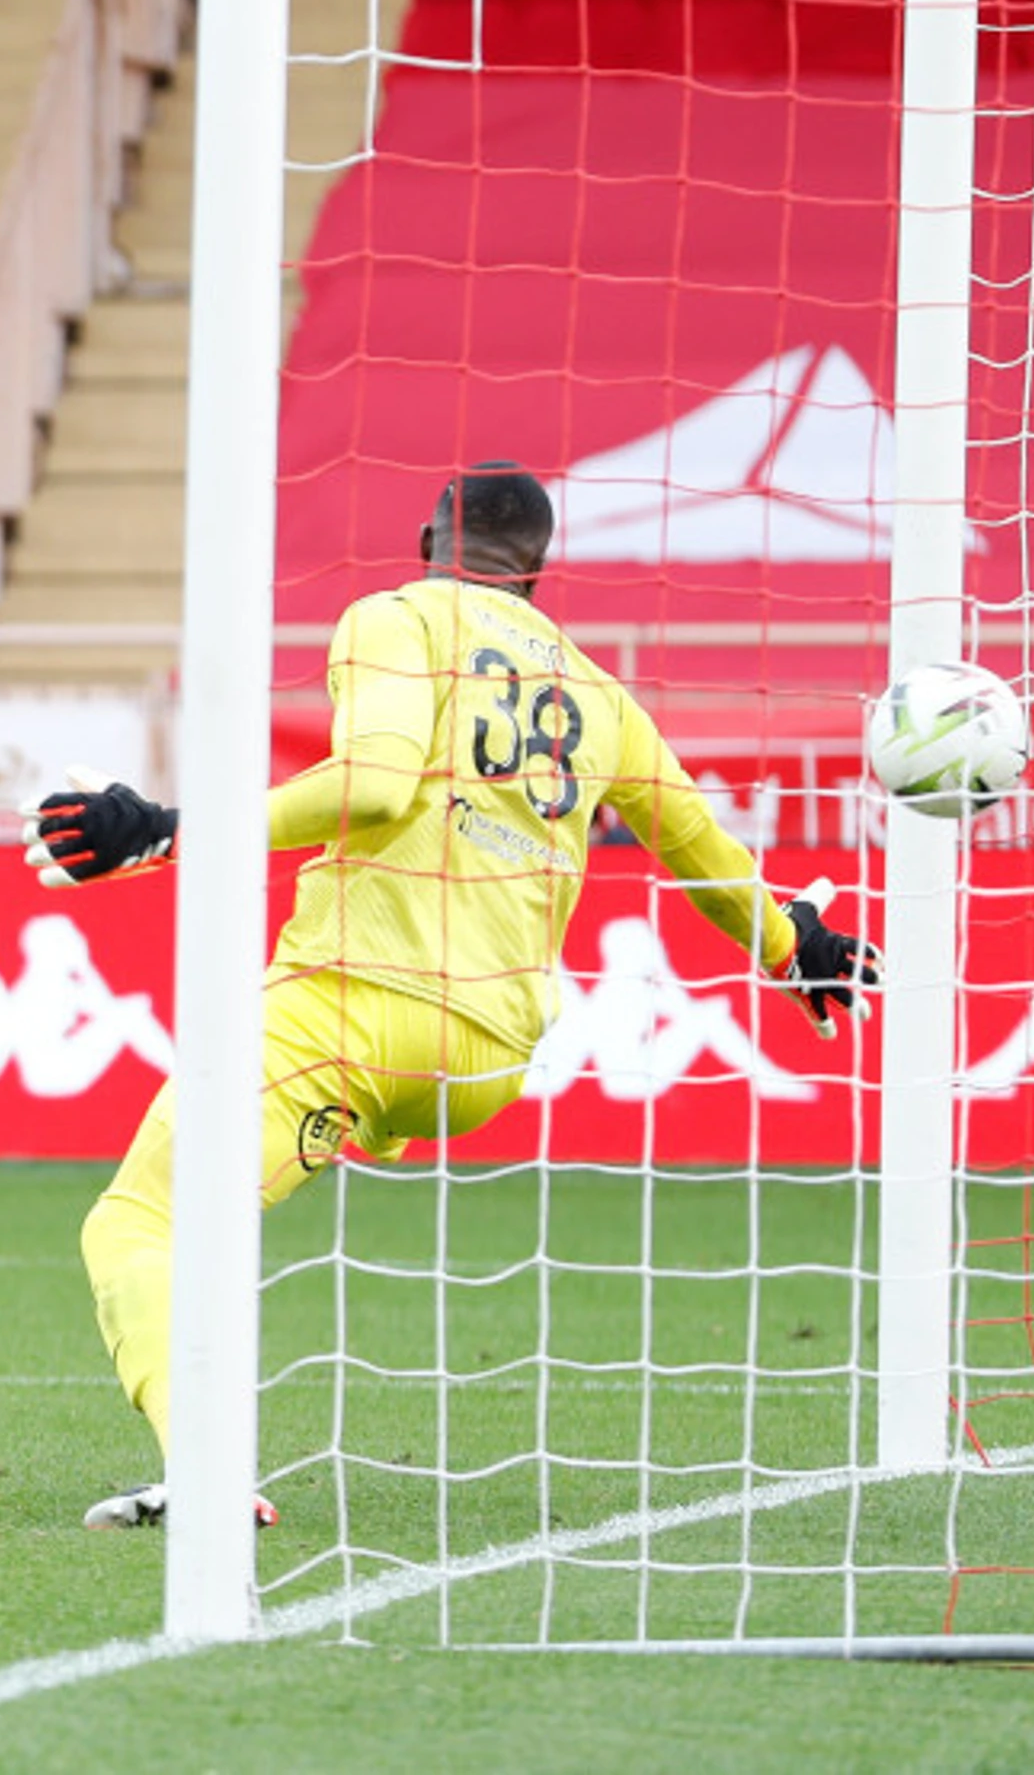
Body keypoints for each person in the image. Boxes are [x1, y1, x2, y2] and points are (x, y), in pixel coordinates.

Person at [45, 467, 879, 1530]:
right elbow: (699, 846)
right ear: (537, 567)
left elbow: (381, 781)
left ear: (429, 537)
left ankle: (206, 1465)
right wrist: (790, 941)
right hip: (484, 1062)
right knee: (203, 1221)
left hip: (349, 1011)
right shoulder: (598, 695)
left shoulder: (393, 616)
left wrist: (170, 829)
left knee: (142, 1224)